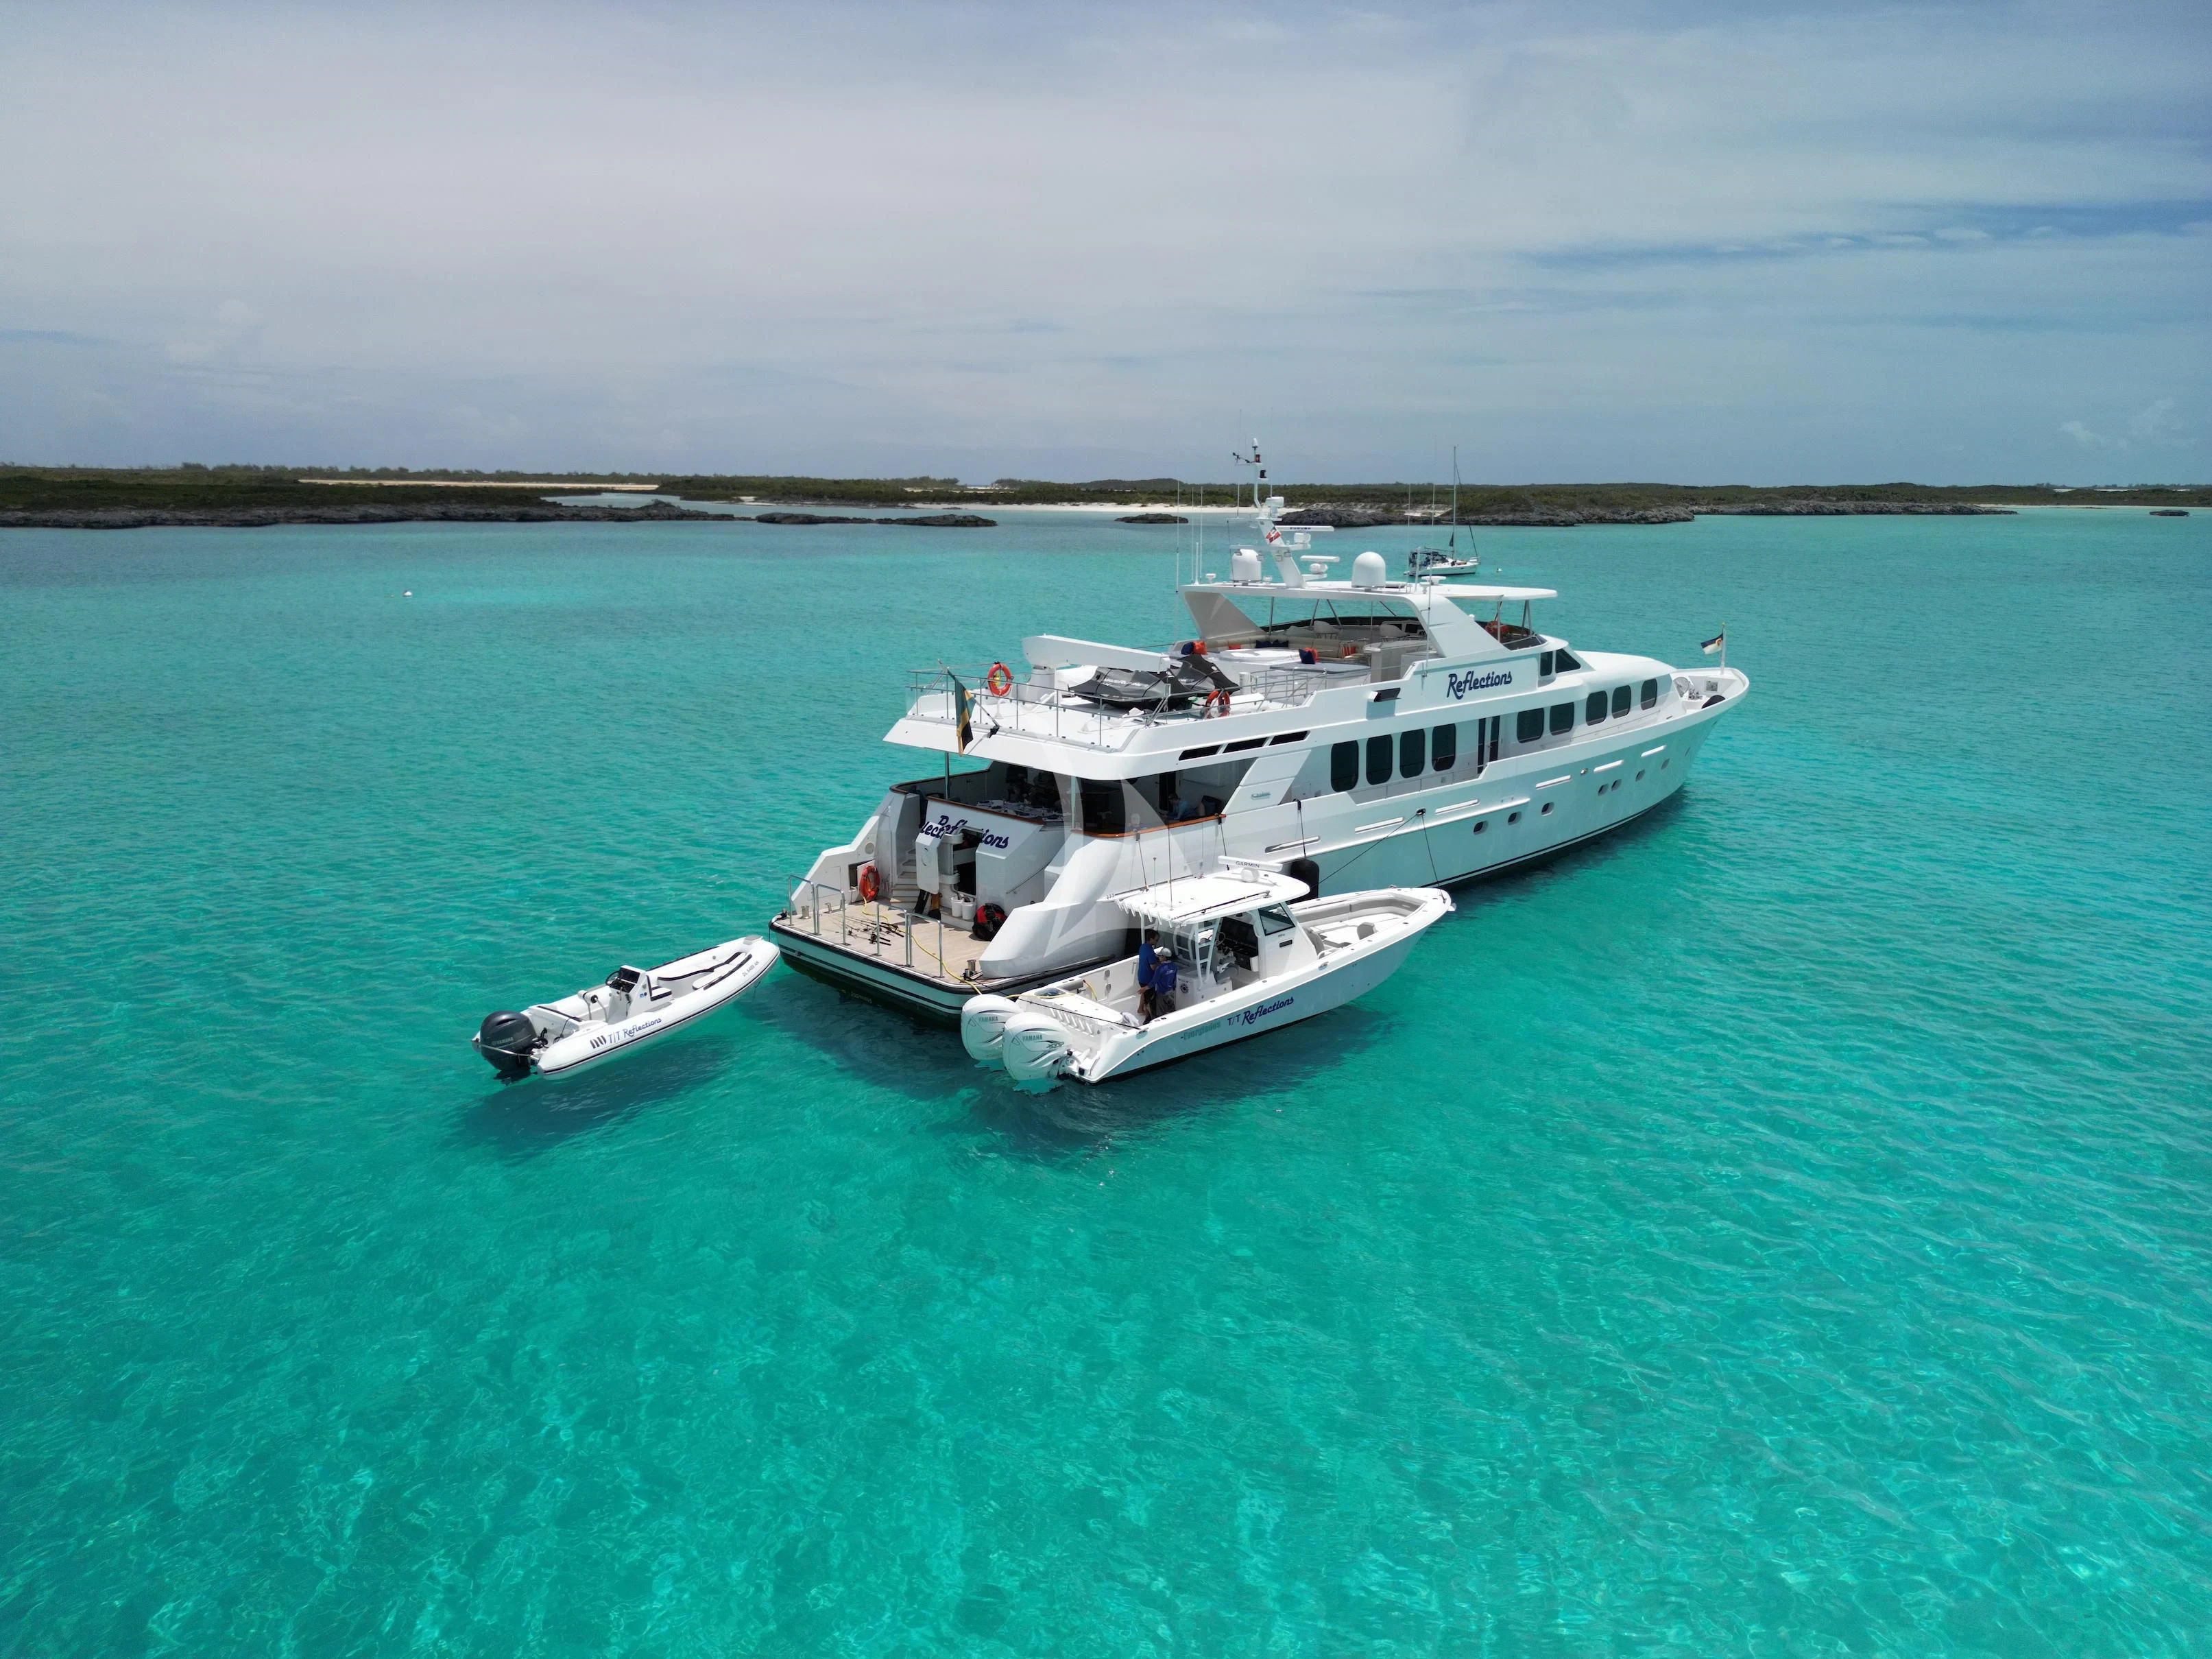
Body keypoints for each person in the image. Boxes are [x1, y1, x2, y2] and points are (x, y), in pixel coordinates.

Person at [1136, 929, 1160, 1023]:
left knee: (1144, 992)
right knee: (1149, 999)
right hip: (1148, 978)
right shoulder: (1150, 951)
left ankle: (1140, 1009)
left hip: (1141, 976)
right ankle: (1148, 1019)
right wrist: (1161, 963)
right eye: (1156, 940)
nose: (1157, 942)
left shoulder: (1143, 947)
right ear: (1151, 939)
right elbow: (1153, 967)